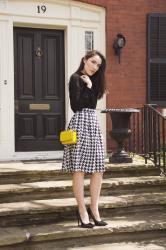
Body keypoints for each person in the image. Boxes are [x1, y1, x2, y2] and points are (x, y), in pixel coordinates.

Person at [62, 50, 107, 228]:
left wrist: (91, 86)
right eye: (93, 62)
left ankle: (94, 210)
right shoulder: (75, 79)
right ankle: (82, 211)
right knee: (79, 169)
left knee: (98, 169)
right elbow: (77, 106)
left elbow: (92, 105)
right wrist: (88, 87)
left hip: (93, 125)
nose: (95, 67)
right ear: (85, 60)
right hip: (79, 124)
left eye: (98, 65)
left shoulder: (94, 81)